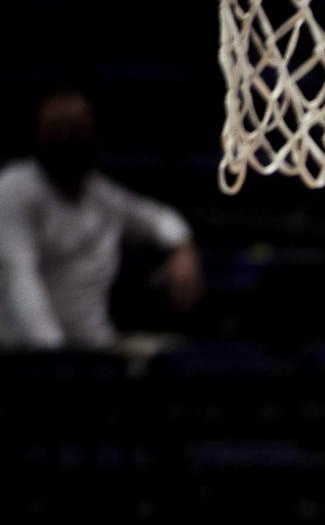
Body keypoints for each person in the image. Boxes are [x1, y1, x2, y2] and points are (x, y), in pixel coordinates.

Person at [0, 91, 200, 353]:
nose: (66, 136)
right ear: (39, 133)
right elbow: (20, 279)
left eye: (75, 129)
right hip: (24, 352)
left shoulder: (103, 198)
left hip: (95, 347)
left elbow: (159, 220)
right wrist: (54, 357)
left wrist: (182, 247)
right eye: (58, 128)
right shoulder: (14, 190)